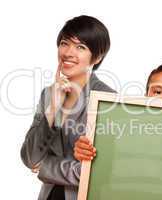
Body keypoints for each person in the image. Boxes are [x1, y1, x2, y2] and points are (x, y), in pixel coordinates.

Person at [20, 15, 114, 200]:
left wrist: (45, 167)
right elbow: (30, 158)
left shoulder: (107, 100)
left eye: (81, 47)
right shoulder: (48, 94)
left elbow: (100, 173)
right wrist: (53, 107)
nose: (68, 52)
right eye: (65, 43)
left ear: (98, 56)